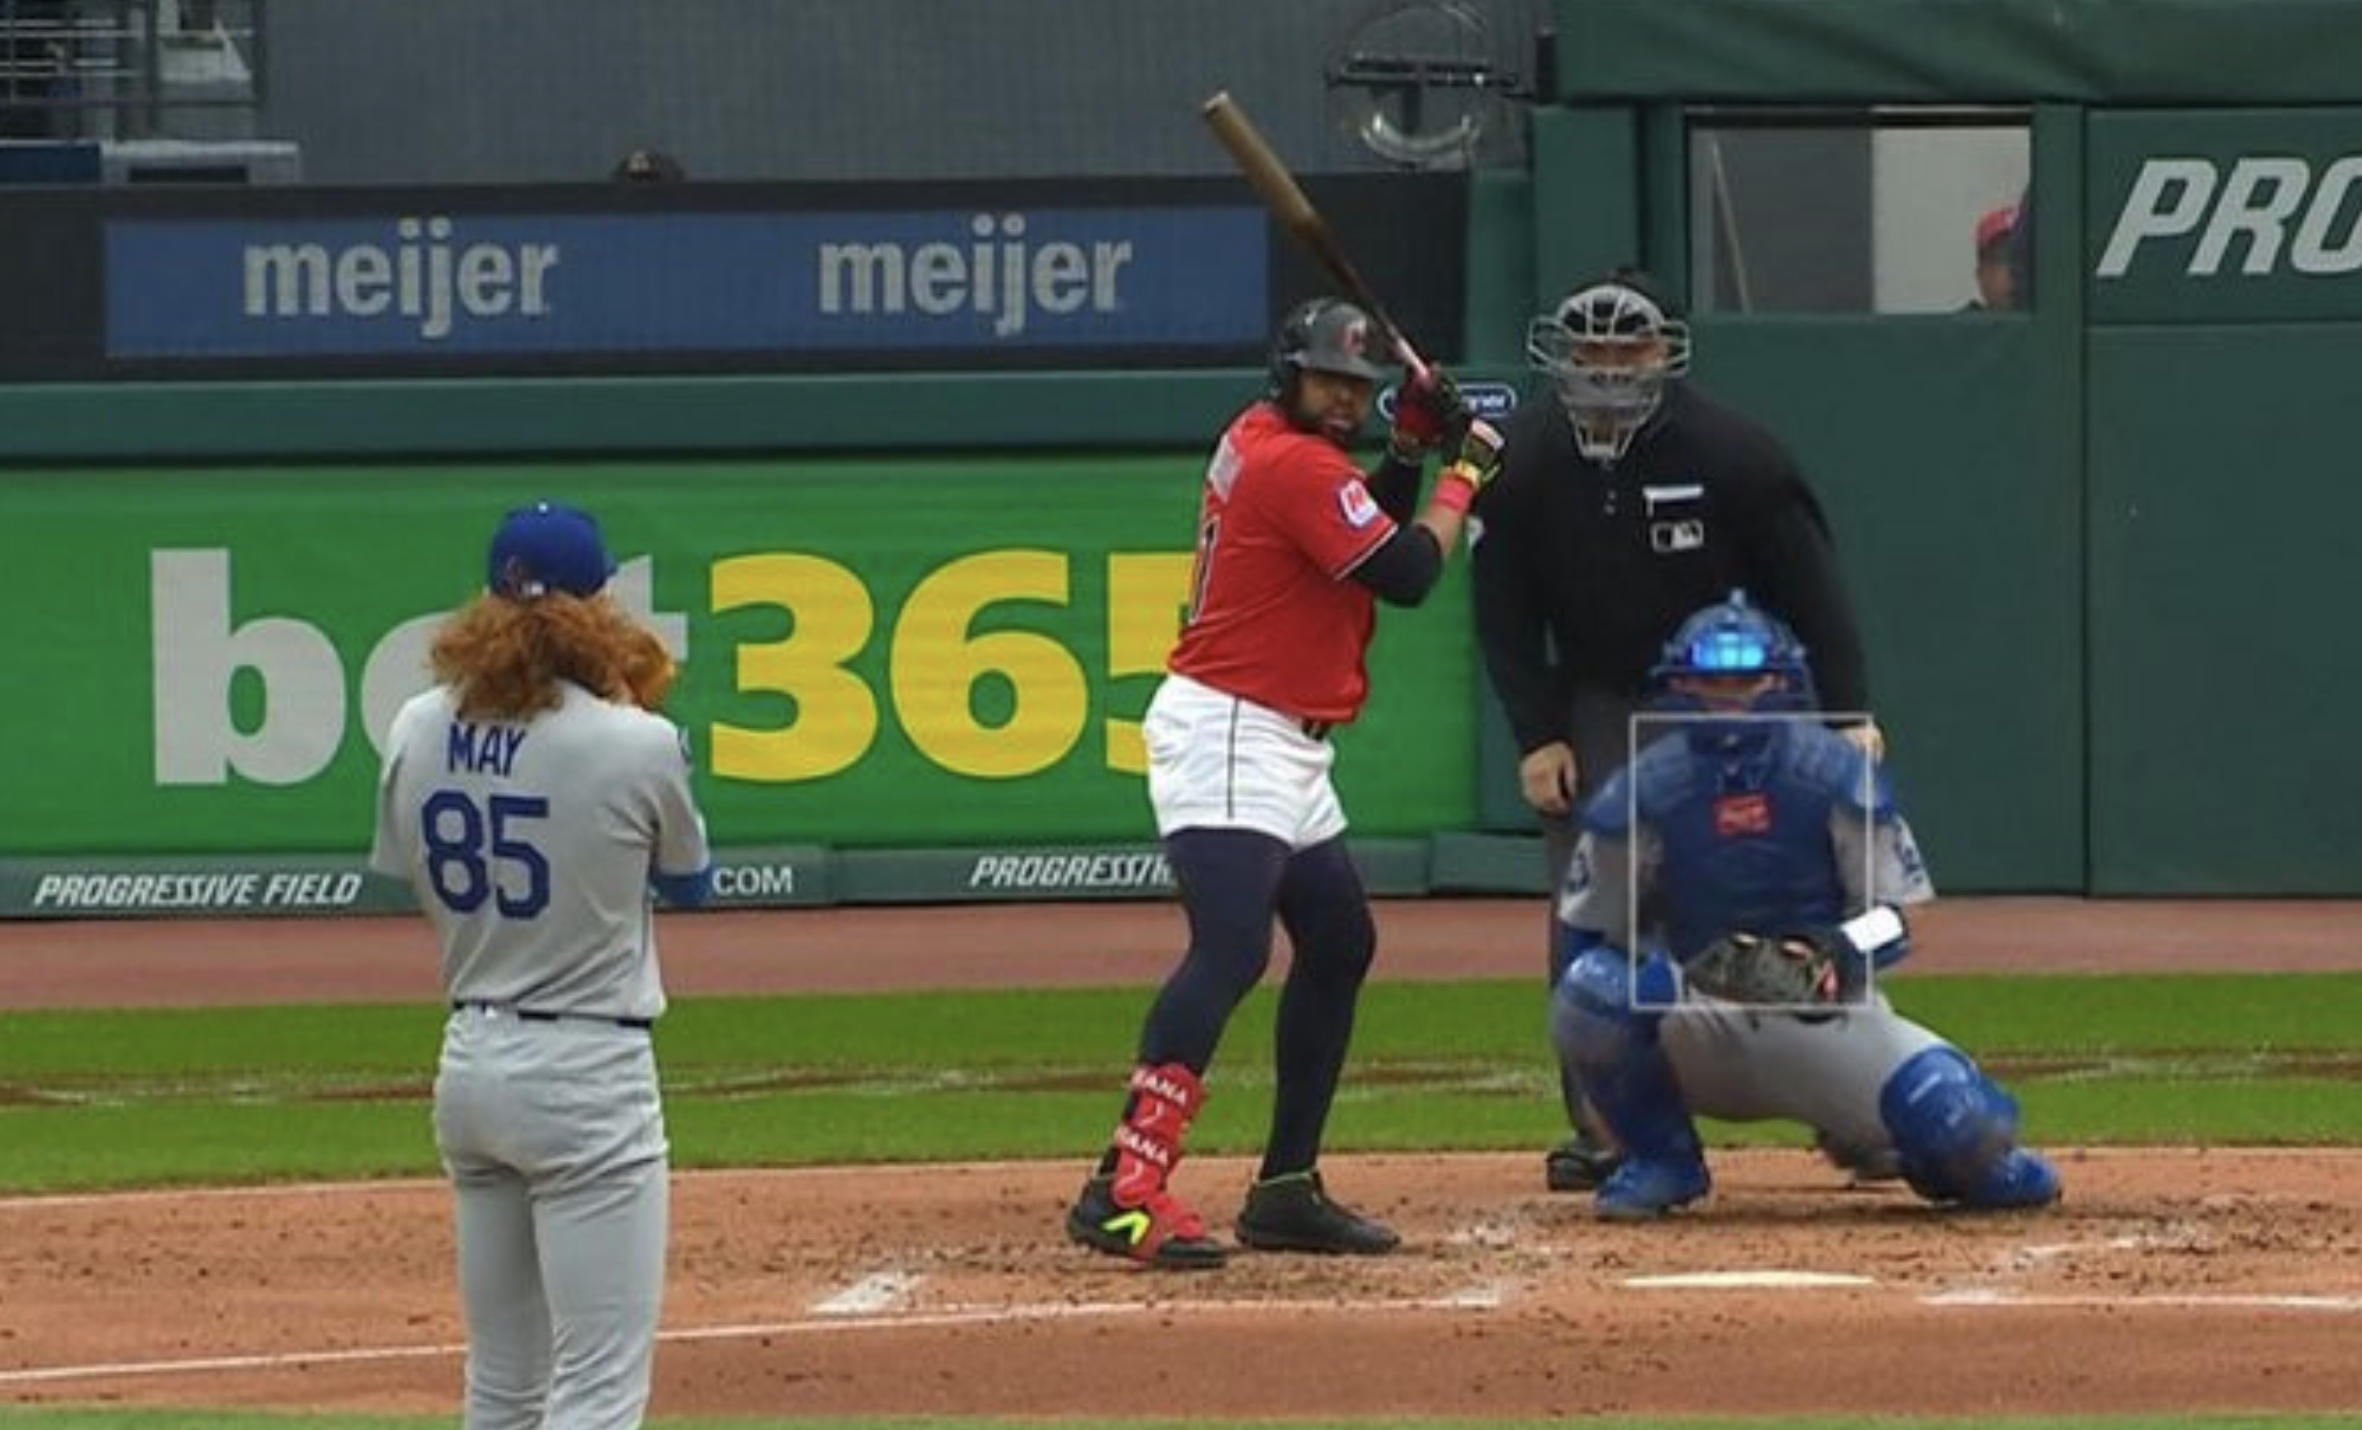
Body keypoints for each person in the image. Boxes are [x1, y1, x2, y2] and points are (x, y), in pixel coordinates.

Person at [1064, 296, 1504, 1267]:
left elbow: (1357, 542)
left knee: (1339, 939)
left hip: (1281, 739)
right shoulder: (1288, 460)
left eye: (1357, 387)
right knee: (1229, 949)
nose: (1343, 402)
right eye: (1327, 381)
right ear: (1287, 374)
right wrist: (1460, 472)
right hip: (1232, 724)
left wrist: (1405, 454)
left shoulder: (1273, 442)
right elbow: (1404, 570)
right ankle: (1122, 1184)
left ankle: (1285, 1187)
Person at [1468, 268, 1882, 1194]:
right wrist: (1538, 735)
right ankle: (1608, 1123)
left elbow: (1815, 589)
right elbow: (1501, 614)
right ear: (1562, 354)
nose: (1609, 369)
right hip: (1603, 699)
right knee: (1595, 911)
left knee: (1781, 899)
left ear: (1665, 352)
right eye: (1591, 350)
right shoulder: (1526, 460)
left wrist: (1845, 715)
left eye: (1629, 348)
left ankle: (1857, 1111)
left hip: (1736, 699)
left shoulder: (1737, 454)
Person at [1549, 592, 2060, 1219]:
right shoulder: (1641, 793)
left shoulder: (1836, 776)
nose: (1730, 697)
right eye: (1713, 681)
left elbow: (1901, 914)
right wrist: (1614, 1053)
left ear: (1781, 682)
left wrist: (1840, 948)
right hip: (1699, 1012)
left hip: (1824, 1013)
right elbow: (1588, 931)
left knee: (1963, 1132)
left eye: (1746, 679)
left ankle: (1911, 1150)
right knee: (1592, 991)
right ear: (1680, 685)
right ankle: (1663, 1160)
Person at [370, 500, 714, 1429]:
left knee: (504, 1383)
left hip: (470, 1060)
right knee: (597, 1391)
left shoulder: (414, 725)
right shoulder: (634, 740)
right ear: (597, 607)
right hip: (588, 1070)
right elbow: (693, 886)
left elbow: (408, 873)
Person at [1967, 203, 2019, 311]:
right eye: (2002, 258)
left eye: (2027, 259)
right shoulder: (1962, 326)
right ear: (1981, 276)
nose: (2016, 269)